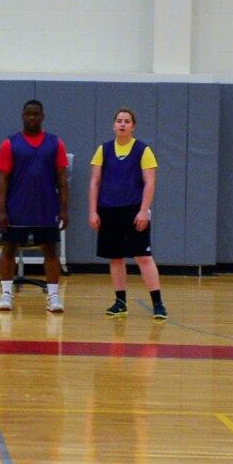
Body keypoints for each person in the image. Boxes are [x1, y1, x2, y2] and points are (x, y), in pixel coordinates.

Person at [89, 108, 166, 320]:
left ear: (133, 126)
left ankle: (158, 303)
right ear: (113, 125)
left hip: (133, 210)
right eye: (119, 121)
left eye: (127, 121)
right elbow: (95, 182)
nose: (122, 124)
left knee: (143, 256)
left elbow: (150, 183)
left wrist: (143, 210)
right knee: (116, 257)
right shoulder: (103, 150)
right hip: (108, 210)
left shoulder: (143, 150)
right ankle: (120, 301)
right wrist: (93, 211)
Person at [0, 100, 68, 314]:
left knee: (51, 251)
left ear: (43, 117)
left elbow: (62, 179)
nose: (32, 118)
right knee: (8, 249)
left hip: (46, 207)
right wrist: (2, 210)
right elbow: (3, 180)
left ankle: (53, 296)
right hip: (18, 206)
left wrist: (64, 209)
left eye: (36, 114)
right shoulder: (10, 144)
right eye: (28, 114)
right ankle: (6, 293)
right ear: (22, 116)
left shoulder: (55, 143)